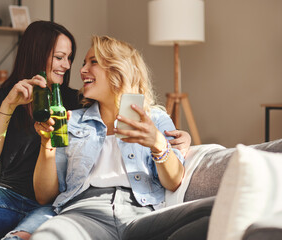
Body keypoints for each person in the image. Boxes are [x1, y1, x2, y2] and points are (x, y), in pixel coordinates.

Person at [0, 21, 190, 240]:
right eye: (60, 57)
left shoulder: (77, 101)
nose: (71, 66)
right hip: (20, 200)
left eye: (70, 58)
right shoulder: (11, 99)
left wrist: (174, 140)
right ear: (38, 56)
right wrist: (10, 105)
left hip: (58, 204)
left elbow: (126, 109)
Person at [30, 35, 186, 240]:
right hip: (84, 213)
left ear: (119, 69)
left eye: (93, 62)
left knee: (206, 213)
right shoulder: (72, 120)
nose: (82, 70)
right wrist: (46, 144)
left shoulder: (156, 119)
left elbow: (174, 182)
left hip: (143, 213)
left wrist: (158, 144)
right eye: (84, 63)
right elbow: (44, 196)